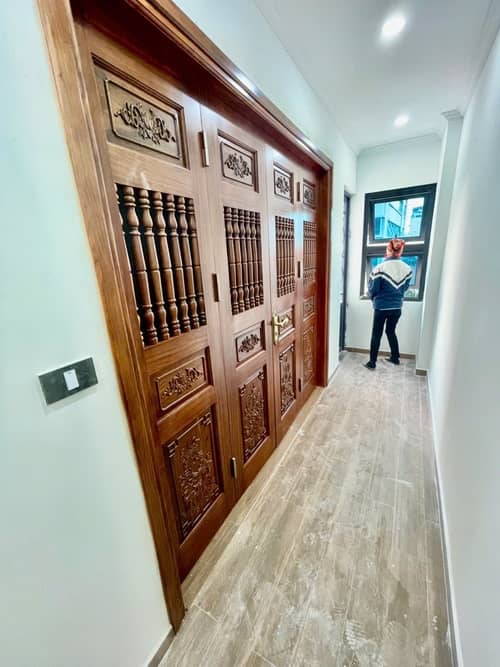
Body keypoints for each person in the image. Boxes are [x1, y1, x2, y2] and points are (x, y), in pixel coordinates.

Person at [364, 238, 412, 370]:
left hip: (381, 307)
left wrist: (373, 298)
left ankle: (372, 363)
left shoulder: (380, 268)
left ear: (388, 249)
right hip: (397, 307)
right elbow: (405, 287)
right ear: (401, 251)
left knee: (376, 334)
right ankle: (395, 358)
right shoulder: (407, 269)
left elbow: (373, 289)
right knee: (391, 331)